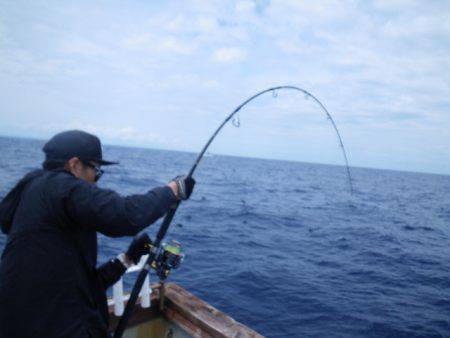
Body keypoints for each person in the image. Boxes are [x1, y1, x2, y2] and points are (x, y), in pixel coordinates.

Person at [0, 130, 195, 338]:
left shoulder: (37, 196)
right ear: (75, 165)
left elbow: (80, 284)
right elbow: (126, 216)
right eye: (96, 171)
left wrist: (126, 260)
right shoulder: (61, 187)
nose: (97, 181)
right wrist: (173, 189)